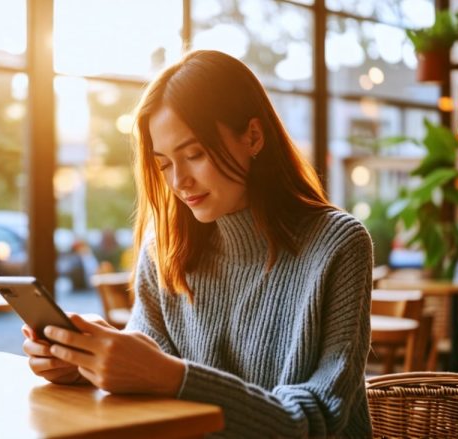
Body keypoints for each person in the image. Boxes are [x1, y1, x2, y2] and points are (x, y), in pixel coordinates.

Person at [22, 50, 373, 437]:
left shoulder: (338, 244)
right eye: (164, 165)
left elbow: (317, 419)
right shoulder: (166, 247)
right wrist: (86, 365)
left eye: (194, 154)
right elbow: (148, 390)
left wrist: (172, 377)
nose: (179, 182)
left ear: (253, 137)